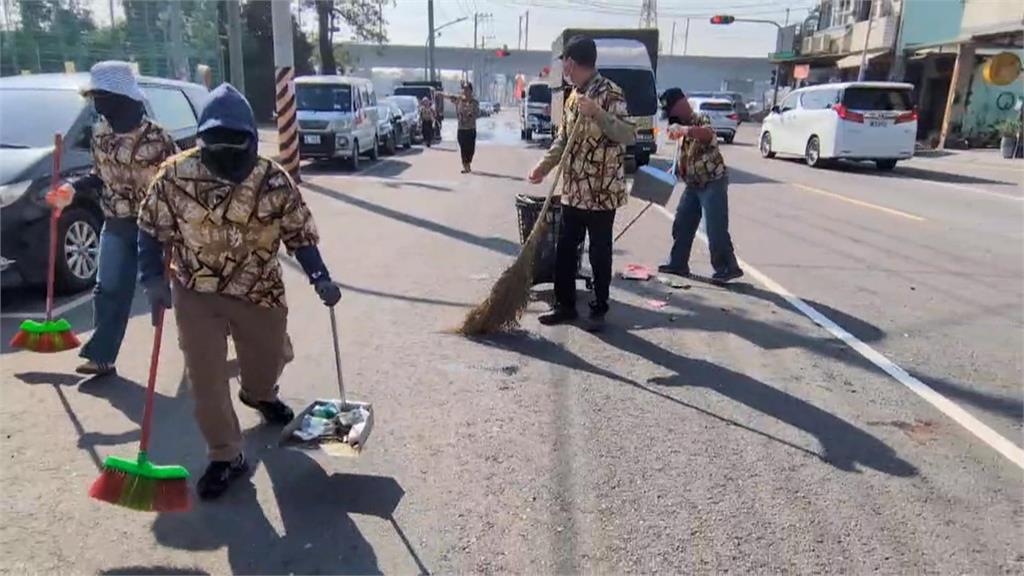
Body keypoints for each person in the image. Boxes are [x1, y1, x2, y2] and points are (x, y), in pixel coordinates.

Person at [136, 84, 341, 500]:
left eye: (236, 142)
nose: (227, 151)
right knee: (205, 376)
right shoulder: (174, 176)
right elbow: (150, 230)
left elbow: (298, 233)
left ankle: (259, 393)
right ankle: (225, 454)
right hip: (197, 289)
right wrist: (152, 280)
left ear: (251, 138)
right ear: (201, 138)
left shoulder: (272, 179)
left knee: (268, 359)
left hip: (259, 289)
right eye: (216, 142)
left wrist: (320, 276)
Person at [46, 61, 178, 376]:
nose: (97, 103)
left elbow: (178, 183)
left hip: (159, 227)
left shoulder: (159, 139)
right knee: (109, 288)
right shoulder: (100, 135)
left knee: (187, 289)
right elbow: (100, 175)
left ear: (123, 98)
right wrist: (71, 189)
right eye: (94, 96)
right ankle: (102, 354)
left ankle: (215, 335)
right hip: (117, 221)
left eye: (102, 96)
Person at [527, 36, 635, 330]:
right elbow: (563, 139)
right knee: (565, 249)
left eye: (564, 62)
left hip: (602, 194)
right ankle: (565, 305)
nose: (563, 67)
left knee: (600, 252)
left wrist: (598, 114)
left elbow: (628, 134)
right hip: (574, 191)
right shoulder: (573, 96)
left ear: (572, 63)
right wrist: (544, 166)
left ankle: (600, 304)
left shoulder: (611, 93)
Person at [657, 88, 744, 284]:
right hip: (693, 184)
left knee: (714, 228)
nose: (672, 116)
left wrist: (685, 130)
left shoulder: (700, 119)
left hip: (713, 181)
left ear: (681, 103)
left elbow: (707, 135)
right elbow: (686, 157)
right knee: (682, 222)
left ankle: (727, 267)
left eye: (672, 111)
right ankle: (678, 263)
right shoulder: (680, 126)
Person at [446, 82, 480, 173]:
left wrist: (471, 115)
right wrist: (439, 94)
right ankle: (465, 166)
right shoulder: (459, 100)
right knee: (463, 148)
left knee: (471, 149)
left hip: (471, 129)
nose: (465, 91)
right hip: (461, 129)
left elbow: (477, 113)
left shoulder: (474, 102)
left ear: (471, 91)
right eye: (464, 89)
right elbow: (449, 97)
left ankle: (468, 162)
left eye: (467, 89)